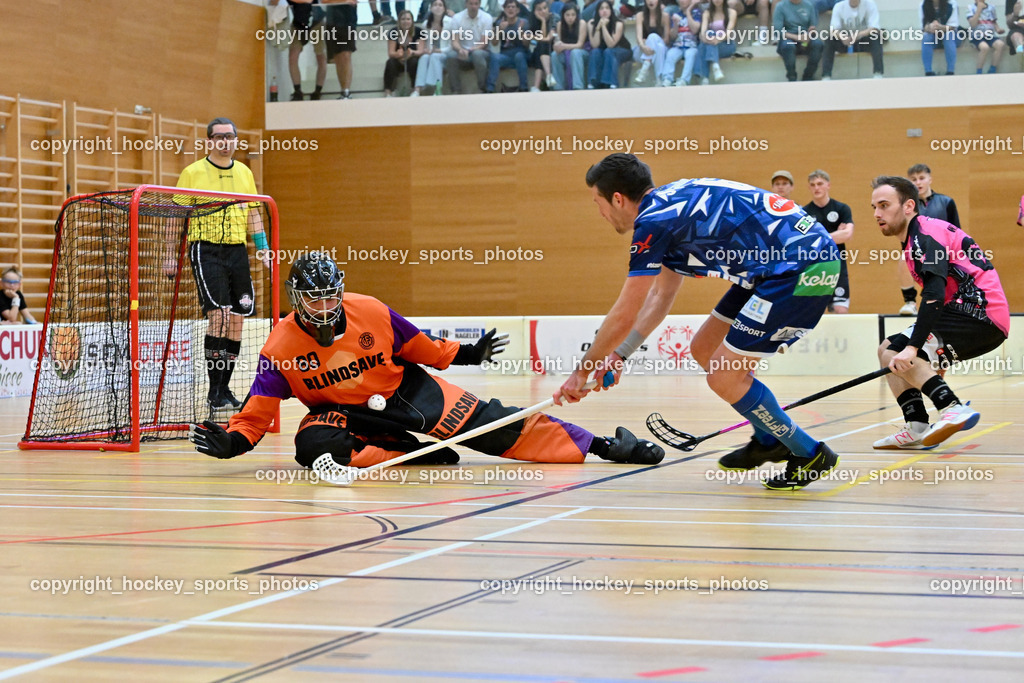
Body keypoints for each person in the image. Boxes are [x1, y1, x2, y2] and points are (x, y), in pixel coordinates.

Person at [191, 253, 664, 472]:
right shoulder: (278, 349)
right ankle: (410, 455)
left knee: (493, 425)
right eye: (313, 299)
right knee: (313, 450)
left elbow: (423, 347)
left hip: (406, 391)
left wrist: (468, 353)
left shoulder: (371, 310)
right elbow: (258, 410)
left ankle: (605, 446)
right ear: (297, 301)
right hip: (342, 414)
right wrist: (234, 442)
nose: (325, 305)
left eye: (331, 294)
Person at [556, 154, 843, 491]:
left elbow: (625, 312)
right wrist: (619, 355)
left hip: (803, 269)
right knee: (704, 348)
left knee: (723, 375)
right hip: (774, 269)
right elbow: (659, 297)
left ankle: (810, 452)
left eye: (598, 203)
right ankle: (770, 439)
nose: (601, 213)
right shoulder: (668, 206)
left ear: (617, 199)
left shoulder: (653, 222)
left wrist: (581, 372)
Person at [870, 176, 1009, 450]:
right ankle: (917, 426)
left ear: (909, 206)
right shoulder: (916, 238)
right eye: (874, 207)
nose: (877, 214)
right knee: (888, 349)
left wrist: (914, 347)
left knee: (898, 350)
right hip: (976, 316)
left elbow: (933, 295)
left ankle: (952, 408)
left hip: (977, 313)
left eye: (884, 205)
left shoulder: (924, 235)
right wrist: (923, 359)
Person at [171, 117, 271, 409]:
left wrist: (263, 248)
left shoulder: (244, 173)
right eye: (219, 137)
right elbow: (176, 216)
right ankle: (214, 391)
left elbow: (253, 213)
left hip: (237, 250)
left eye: (230, 137)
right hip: (206, 249)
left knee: (238, 320)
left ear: (236, 140)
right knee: (219, 316)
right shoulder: (192, 173)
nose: (225, 142)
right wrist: (168, 255)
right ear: (209, 141)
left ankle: (224, 389)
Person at [900, 163, 961, 315]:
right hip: (918, 249)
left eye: (921, 178)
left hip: (943, 251)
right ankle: (910, 302)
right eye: (913, 179)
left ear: (930, 179)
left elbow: (956, 230)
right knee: (903, 258)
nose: (918, 182)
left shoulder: (946, 202)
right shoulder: (907, 206)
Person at [803, 170, 854, 313]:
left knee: (840, 310)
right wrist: (836, 234)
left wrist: (818, 238)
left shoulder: (842, 209)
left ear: (828, 185)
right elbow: (805, 242)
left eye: (820, 184)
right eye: (812, 185)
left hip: (838, 266)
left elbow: (847, 234)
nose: (816, 188)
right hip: (813, 268)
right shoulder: (804, 213)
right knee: (811, 313)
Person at [821, 0, 884, 80]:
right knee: (829, 39)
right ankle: (826, 76)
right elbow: (833, 30)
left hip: (862, 40)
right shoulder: (839, 6)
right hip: (845, 42)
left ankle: (878, 73)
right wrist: (842, 37)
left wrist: (858, 35)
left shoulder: (870, 4)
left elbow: (874, 28)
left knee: (876, 37)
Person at [445, 0, 494, 94]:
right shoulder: (457, 18)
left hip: (481, 52)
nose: (473, 6)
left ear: (479, 4)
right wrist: (460, 49)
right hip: (462, 52)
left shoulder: (487, 18)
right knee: (450, 55)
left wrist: (471, 50)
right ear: (466, 4)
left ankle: (482, 89)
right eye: (471, 3)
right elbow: (454, 41)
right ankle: (456, 90)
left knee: (477, 54)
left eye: (476, 4)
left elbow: (484, 42)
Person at [485, 0, 531, 92]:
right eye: (508, 7)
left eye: (513, 7)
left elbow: (527, 44)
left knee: (519, 56)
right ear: (504, 9)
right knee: (494, 57)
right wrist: (499, 30)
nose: (510, 9)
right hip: (506, 55)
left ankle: (523, 87)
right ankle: (489, 89)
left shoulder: (523, 22)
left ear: (517, 10)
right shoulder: (499, 23)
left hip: (521, 53)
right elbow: (494, 43)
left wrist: (521, 32)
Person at [286, 0, 328, 100]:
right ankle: (297, 91)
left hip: (316, 21)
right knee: (292, 56)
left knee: (321, 56)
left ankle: (318, 91)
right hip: (298, 24)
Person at [587, 0, 633, 88]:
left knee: (609, 51)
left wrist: (604, 27)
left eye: (607, 8)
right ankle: (593, 82)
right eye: (601, 9)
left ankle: (610, 83)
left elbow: (611, 44)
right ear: (597, 11)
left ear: (611, 10)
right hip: (604, 51)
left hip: (622, 50)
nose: (604, 11)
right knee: (595, 52)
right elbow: (595, 45)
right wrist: (598, 28)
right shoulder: (591, 23)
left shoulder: (618, 23)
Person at [775, 0, 824, 81]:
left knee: (818, 44)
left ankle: (808, 76)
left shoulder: (809, 5)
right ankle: (792, 76)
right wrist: (797, 37)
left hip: (805, 38)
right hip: (788, 38)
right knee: (788, 46)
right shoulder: (780, 6)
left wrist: (809, 34)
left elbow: (812, 26)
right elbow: (778, 30)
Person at [414, 0, 452, 96]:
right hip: (431, 54)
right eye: (435, 5)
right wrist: (426, 50)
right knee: (424, 57)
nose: (437, 7)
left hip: (446, 55)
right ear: (430, 8)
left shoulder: (450, 22)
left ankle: (437, 89)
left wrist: (440, 50)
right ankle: (417, 89)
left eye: (440, 5)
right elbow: (425, 44)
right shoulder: (425, 24)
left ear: (444, 9)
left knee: (435, 56)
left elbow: (452, 46)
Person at [659, 0, 701, 87]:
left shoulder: (697, 13)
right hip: (678, 46)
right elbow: (673, 36)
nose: (683, 1)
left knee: (690, 54)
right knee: (670, 54)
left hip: (692, 46)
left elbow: (695, 29)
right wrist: (675, 24)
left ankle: (684, 80)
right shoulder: (675, 14)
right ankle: (667, 79)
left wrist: (688, 12)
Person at [696, 0, 738, 85]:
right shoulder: (707, 13)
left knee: (704, 45)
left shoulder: (732, 12)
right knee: (704, 44)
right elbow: (702, 33)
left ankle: (704, 77)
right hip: (711, 43)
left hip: (726, 44)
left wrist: (717, 39)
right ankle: (715, 67)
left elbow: (729, 33)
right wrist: (706, 39)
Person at [323, 0, 358, 99]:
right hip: (332, 21)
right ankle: (343, 91)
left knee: (346, 55)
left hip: (348, 21)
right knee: (338, 57)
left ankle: (346, 92)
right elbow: (324, 0)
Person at [383, 10, 423, 96]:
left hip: (412, 59)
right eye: (403, 19)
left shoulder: (419, 31)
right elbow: (391, 53)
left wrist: (411, 53)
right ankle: (388, 92)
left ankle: (414, 90)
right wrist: (398, 54)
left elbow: (420, 51)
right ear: (399, 21)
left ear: (412, 21)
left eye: (408, 19)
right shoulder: (393, 32)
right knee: (390, 63)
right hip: (398, 60)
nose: (406, 21)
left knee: (415, 62)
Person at [632, 0, 670, 86]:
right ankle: (658, 78)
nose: (651, 1)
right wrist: (644, 46)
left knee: (654, 39)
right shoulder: (640, 15)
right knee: (654, 41)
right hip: (641, 51)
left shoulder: (665, 16)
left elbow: (666, 40)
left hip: (659, 51)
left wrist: (653, 42)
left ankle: (645, 69)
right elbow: (638, 37)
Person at [552, 2, 589, 90]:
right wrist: (556, 46)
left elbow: (580, 45)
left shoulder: (582, 23)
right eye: (567, 15)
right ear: (563, 15)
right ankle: (558, 87)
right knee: (554, 55)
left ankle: (578, 86)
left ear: (577, 15)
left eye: (573, 15)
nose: (570, 18)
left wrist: (564, 46)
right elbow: (558, 44)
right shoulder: (560, 24)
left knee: (575, 53)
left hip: (582, 53)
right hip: (566, 53)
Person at [921, 0, 961, 76]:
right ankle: (928, 71)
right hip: (934, 35)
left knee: (948, 35)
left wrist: (939, 27)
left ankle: (950, 71)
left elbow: (953, 26)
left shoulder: (952, 4)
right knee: (926, 37)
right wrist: (930, 27)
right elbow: (923, 27)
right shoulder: (923, 4)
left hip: (951, 34)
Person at [966, 0, 1007, 73]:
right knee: (985, 47)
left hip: (990, 35)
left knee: (1000, 45)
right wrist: (978, 10)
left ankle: (992, 69)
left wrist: (998, 29)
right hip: (977, 36)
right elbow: (972, 24)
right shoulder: (970, 7)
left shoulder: (992, 8)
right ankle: (979, 71)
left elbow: (993, 22)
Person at [529, 0, 558, 91]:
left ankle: (536, 86)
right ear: (535, 11)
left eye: (545, 8)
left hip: (554, 47)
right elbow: (543, 37)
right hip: (541, 51)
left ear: (548, 8)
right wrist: (543, 21)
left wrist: (533, 37)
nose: (543, 11)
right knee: (540, 47)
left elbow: (548, 38)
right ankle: (548, 76)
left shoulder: (555, 17)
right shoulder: (534, 21)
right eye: (539, 9)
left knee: (541, 45)